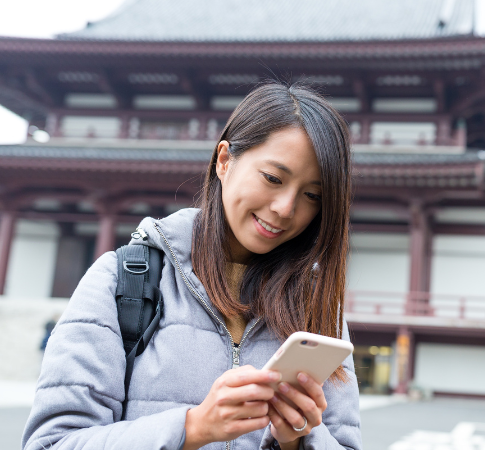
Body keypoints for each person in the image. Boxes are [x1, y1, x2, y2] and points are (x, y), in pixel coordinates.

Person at [22, 82, 361, 450]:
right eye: (273, 178)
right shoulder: (121, 280)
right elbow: (50, 443)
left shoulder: (317, 308)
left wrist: (295, 441)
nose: (285, 207)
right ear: (224, 160)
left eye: (312, 195)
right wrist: (193, 428)